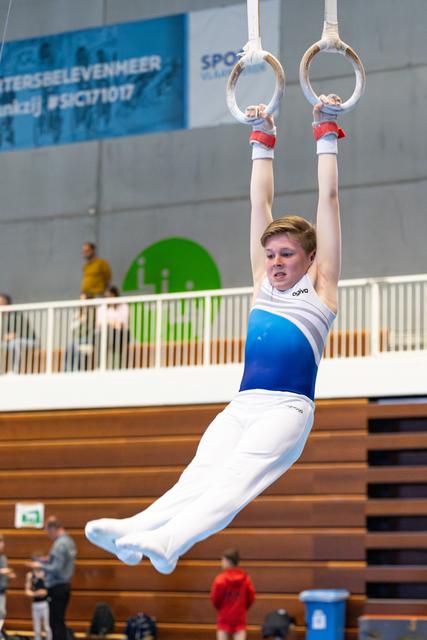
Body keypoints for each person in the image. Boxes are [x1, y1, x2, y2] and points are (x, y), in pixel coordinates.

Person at [85, 94, 344, 574]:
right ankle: (136, 532)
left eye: (287, 254)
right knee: (198, 475)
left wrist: (325, 129)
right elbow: (258, 201)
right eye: (271, 255)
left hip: (287, 410)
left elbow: (327, 200)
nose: (276, 263)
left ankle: (169, 542)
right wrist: (261, 139)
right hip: (242, 406)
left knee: (231, 481)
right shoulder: (261, 284)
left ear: (309, 259)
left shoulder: (322, 289)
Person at [30, 517, 77, 640]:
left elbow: (57, 568)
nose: (48, 535)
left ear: (53, 529)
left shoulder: (60, 544)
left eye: (48, 531)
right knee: (58, 621)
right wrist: (47, 559)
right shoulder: (69, 541)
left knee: (55, 623)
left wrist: (40, 565)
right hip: (64, 585)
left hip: (57, 587)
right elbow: (60, 562)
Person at [210, 548, 255, 640]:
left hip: (224, 617)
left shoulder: (220, 579)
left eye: (223, 560)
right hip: (239, 617)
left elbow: (215, 599)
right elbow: (251, 597)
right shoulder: (245, 579)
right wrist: (242, 607)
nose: (221, 562)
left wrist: (222, 608)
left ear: (228, 561)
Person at [0, 293, 38, 373]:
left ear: (7, 304)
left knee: (14, 343)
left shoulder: (15, 315)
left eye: (1, 303)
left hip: (30, 341)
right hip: (10, 343)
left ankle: (15, 371)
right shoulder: (1, 317)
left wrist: (5, 337)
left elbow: (14, 335)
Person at [96, 286, 130, 369]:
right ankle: (100, 366)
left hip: (120, 334)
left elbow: (122, 324)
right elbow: (99, 323)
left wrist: (109, 322)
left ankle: (116, 366)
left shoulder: (123, 306)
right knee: (102, 335)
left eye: (111, 296)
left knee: (115, 335)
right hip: (105, 334)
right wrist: (112, 323)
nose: (109, 299)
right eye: (107, 296)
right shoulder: (102, 307)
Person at [25, 565, 53, 640]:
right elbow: (27, 591)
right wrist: (35, 594)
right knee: (37, 628)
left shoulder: (46, 574)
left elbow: (49, 589)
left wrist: (42, 578)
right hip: (35, 604)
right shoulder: (30, 575)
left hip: (45, 603)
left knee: (47, 626)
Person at [0, 534, 16, 638]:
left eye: (2, 542)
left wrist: (9, 576)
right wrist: (1, 571)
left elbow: (5, 576)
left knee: (2, 613)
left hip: (2, 590)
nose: (2, 544)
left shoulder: (3, 558)